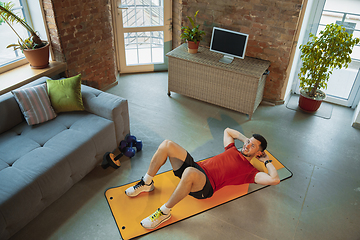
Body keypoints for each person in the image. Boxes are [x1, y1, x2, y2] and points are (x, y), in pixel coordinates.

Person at [125, 127, 280, 229]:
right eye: (247, 142)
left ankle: (164, 212)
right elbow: (227, 131)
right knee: (167, 144)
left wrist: (266, 161)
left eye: (253, 146)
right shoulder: (232, 149)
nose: (247, 146)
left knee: (190, 172)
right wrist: (248, 141)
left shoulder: (250, 171)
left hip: (205, 186)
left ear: (259, 153)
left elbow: (274, 180)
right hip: (197, 169)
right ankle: (147, 183)